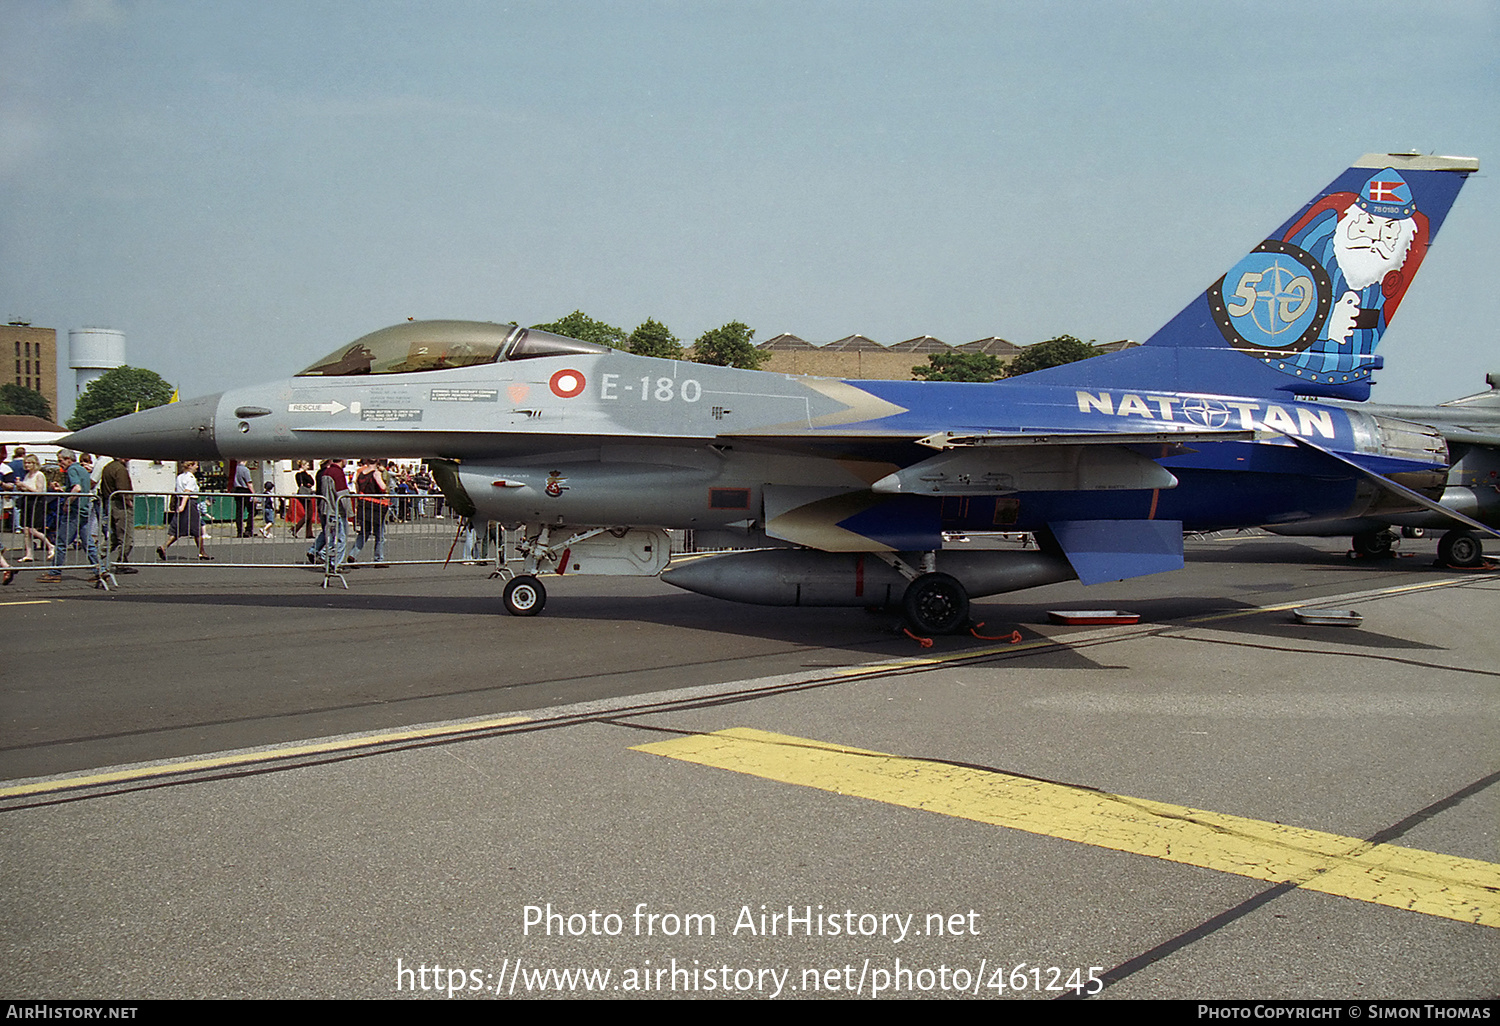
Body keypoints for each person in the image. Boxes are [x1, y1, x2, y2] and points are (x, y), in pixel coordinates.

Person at [38, 449, 92, 583]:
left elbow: (77, 488)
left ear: (69, 459)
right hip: (83, 509)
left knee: (61, 542)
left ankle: (55, 572)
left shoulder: (72, 470)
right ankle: (100, 570)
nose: (59, 463)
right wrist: (62, 489)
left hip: (74, 511)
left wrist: (68, 502)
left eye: (61, 461)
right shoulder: (82, 469)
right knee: (88, 542)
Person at [160, 460, 211, 560]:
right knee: (197, 528)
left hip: (180, 501)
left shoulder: (180, 477)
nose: (197, 467)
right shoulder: (191, 478)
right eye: (196, 465)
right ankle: (202, 552)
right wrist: (183, 506)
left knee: (178, 528)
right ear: (190, 466)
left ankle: (164, 546)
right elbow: (187, 492)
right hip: (189, 503)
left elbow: (177, 490)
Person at [307, 458, 352, 569]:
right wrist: (350, 512)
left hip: (325, 508)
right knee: (341, 537)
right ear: (342, 460)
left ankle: (324, 557)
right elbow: (342, 494)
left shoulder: (325, 471)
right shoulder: (337, 472)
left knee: (330, 535)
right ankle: (331, 560)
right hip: (336, 509)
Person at [99, 457, 138, 573]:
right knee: (126, 537)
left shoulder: (108, 467)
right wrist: (128, 501)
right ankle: (121, 563)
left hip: (110, 503)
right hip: (120, 505)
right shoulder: (120, 469)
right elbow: (122, 488)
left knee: (115, 537)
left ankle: (97, 556)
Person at [348, 458, 389, 566]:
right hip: (376, 506)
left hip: (364, 504)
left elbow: (357, 488)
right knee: (379, 535)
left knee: (364, 533)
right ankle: (378, 559)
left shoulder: (361, 473)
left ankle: (353, 554)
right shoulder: (376, 473)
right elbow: (383, 487)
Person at [16, 454, 54, 563]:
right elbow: (27, 489)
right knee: (26, 530)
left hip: (37, 503)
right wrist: (21, 487)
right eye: (26, 463)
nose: (27, 465)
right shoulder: (27, 475)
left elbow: (39, 491)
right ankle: (29, 554)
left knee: (33, 529)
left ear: (35, 463)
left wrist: (24, 485)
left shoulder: (39, 475)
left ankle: (50, 545)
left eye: (29, 463)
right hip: (27, 502)